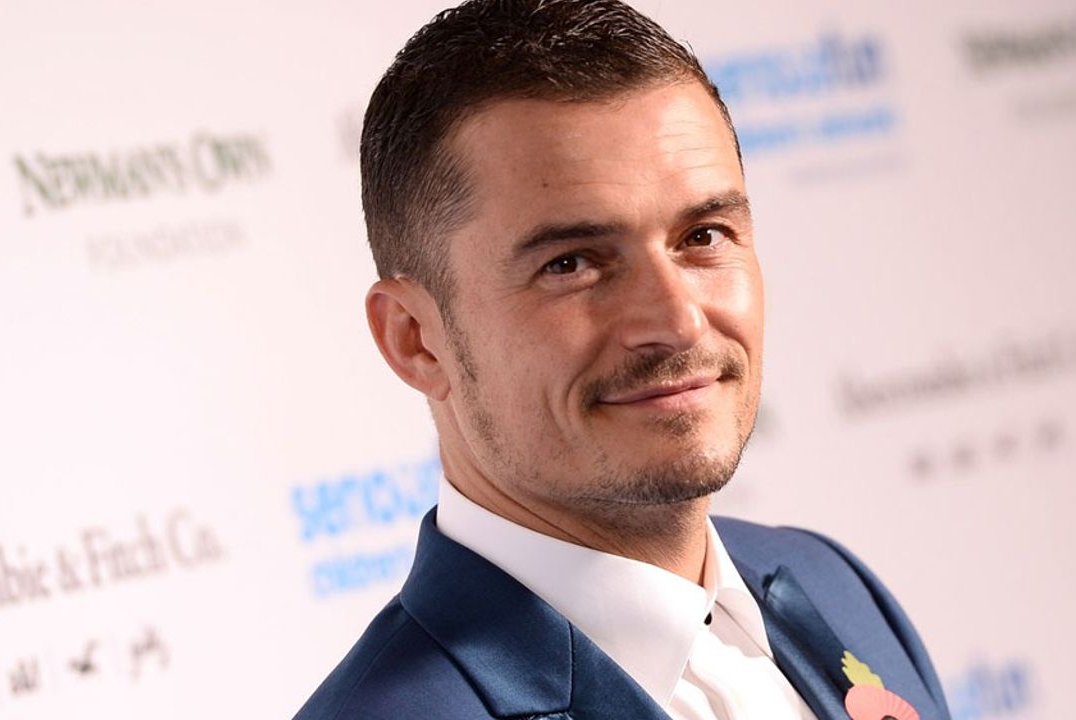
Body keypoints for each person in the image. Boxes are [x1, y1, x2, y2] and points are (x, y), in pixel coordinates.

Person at [295, 1, 950, 718]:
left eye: (703, 236)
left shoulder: (835, 588)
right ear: (415, 339)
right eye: (571, 263)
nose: (677, 321)